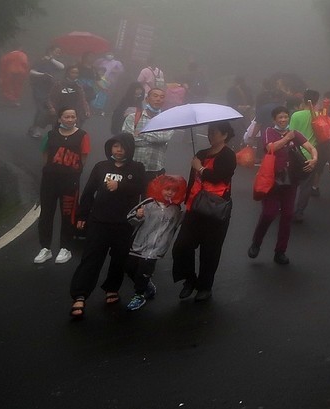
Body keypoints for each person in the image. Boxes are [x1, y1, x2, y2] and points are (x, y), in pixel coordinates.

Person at [67, 133, 146, 319]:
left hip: (124, 223)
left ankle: (112, 288)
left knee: (119, 259)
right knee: (91, 258)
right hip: (99, 221)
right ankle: (80, 295)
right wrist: (82, 215)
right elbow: (88, 192)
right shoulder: (101, 166)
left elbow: (141, 189)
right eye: (115, 146)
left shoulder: (137, 168)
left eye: (122, 146)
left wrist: (120, 186)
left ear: (130, 148)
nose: (118, 150)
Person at [172, 121, 237, 302]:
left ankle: (205, 287)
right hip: (195, 208)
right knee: (181, 246)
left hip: (215, 210)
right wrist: (184, 201)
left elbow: (219, 177)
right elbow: (193, 181)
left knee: (210, 251)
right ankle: (190, 279)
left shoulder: (228, 155)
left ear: (224, 135)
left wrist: (199, 167)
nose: (210, 135)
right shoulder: (200, 154)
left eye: (214, 132)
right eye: (209, 132)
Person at [248, 106, 317, 265]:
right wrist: (287, 139)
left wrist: (314, 158)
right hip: (272, 179)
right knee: (268, 213)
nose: (283, 120)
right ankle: (256, 243)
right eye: (280, 117)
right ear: (274, 119)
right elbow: (270, 148)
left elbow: (311, 147)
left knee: (287, 216)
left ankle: (280, 251)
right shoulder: (268, 132)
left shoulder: (295, 134)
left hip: (290, 180)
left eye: (286, 117)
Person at [35, 107, 90, 264]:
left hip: (70, 182)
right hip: (49, 181)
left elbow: (84, 157)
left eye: (73, 116)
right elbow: (45, 153)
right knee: (46, 213)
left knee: (68, 214)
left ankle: (65, 248)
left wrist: (75, 172)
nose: (70, 119)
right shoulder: (50, 135)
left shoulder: (82, 135)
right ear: (59, 119)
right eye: (66, 117)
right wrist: (47, 169)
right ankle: (45, 248)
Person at [123, 175, 186, 311]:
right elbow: (130, 218)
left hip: (156, 248)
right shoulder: (149, 203)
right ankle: (146, 285)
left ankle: (139, 295)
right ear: (159, 188)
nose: (170, 192)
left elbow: (177, 224)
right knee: (130, 268)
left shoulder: (175, 209)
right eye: (167, 189)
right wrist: (137, 216)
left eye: (173, 190)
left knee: (144, 271)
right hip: (139, 243)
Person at [123, 86, 173, 180]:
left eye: (162, 97)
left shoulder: (168, 121)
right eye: (155, 96)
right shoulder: (133, 117)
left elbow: (163, 138)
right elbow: (128, 140)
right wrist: (155, 140)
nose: (158, 99)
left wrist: (141, 132)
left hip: (155, 169)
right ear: (147, 99)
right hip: (132, 166)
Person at [290, 90, 322, 221]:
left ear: (303, 100)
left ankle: (287, 207)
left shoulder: (296, 115)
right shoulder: (319, 116)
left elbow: (290, 135)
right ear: (317, 101)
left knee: (291, 183)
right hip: (310, 155)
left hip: (295, 155)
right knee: (306, 186)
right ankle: (299, 212)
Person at [28, 46, 64, 138]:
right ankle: (35, 129)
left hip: (51, 89)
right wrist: (42, 74)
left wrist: (51, 59)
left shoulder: (54, 62)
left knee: (47, 109)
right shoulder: (41, 60)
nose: (59, 53)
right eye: (57, 51)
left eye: (60, 51)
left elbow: (62, 67)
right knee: (41, 109)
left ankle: (34, 127)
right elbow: (32, 71)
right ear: (50, 51)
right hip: (39, 88)